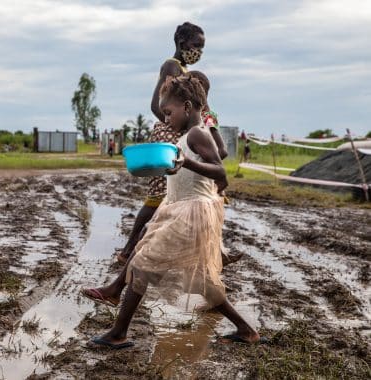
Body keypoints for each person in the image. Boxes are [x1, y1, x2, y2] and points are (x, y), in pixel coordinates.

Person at [84, 75, 263, 349]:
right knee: (199, 278)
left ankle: (118, 333)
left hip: (192, 211)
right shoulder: (184, 137)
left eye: (169, 112)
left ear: (188, 107)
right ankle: (245, 329)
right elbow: (186, 169)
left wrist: (186, 164)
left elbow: (219, 170)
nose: (166, 119)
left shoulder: (197, 133)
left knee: (143, 264)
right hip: (179, 206)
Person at [116, 22, 206, 263]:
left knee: (172, 196)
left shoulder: (184, 71)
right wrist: (177, 128)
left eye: (202, 48)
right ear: (181, 43)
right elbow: (158, 106)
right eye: (196, 45)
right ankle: (130, 251)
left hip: (176, 134)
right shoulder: (172, 66)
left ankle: (136, 251)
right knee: (160, 196)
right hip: (169, 135)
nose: (199, 51)